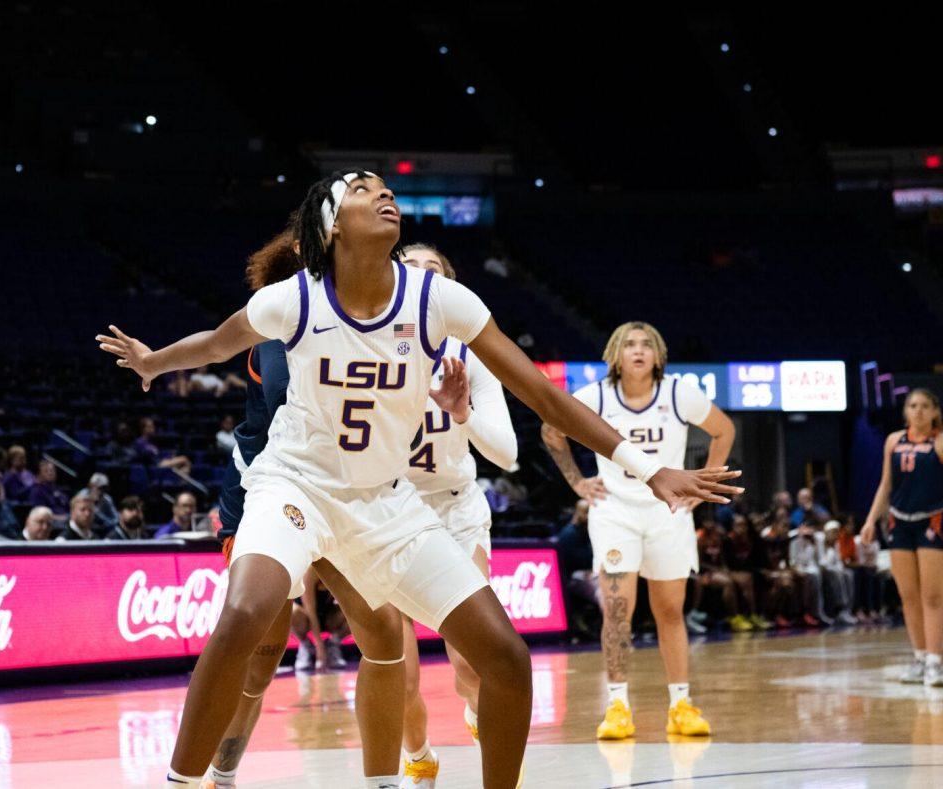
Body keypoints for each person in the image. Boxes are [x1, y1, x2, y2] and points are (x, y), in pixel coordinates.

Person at [98, 171, 740, 788]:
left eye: (385, 186)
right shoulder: (292, 299)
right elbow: (215, 342)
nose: (382, 193)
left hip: (387, 502)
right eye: (361, 189)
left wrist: (649, 467)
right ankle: (184, 782)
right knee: (245, 613)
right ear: (332, 227)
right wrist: (153, 361)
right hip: (296, 485)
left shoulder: (439, 299)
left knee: (506, 659)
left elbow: (544, 397)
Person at [201, 224, 415, 789]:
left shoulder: (374, 322)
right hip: (267, 493)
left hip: (340, 499)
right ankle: (216, 775)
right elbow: (284, 401)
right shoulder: (279, 324)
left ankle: (385, 777)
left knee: (383, 633)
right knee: (261, 652)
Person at [542, 320, 738, 740]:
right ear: (614, 353)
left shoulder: (677, 392)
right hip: (614, 512)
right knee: (617, 611)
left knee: (670, 610)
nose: (638, 350)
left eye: (646, 344)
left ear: (658, 354)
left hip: (668, 512)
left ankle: (681, 704)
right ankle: (616, 705)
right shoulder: (595, 395)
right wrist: (577, 481)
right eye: (628, 344)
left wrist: (701, 487)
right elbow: (551, 429)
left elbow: (724, 430)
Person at [396, 243, 519, 786]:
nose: (422, 276)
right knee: (395, 670)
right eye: (411, 267)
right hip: (386, 510)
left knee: (471, 661)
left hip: (454, 509)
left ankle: (476, 714)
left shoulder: (472, 353)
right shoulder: (365, 344)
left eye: (434, 270)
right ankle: (418, 753)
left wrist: (462, 411)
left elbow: (509, 455)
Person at [860, 388, 943, 686]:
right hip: (899, 521)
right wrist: (871, 520)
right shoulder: (893, 441)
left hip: (933, 520)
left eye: (924, 406)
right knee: (908, 596)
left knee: (932, 596)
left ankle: (936, 661)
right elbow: (886, 485)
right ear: (905, 411)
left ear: (935, 412)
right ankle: (919, 658)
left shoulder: (939, 441)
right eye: (913, 406)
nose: (918, 411)